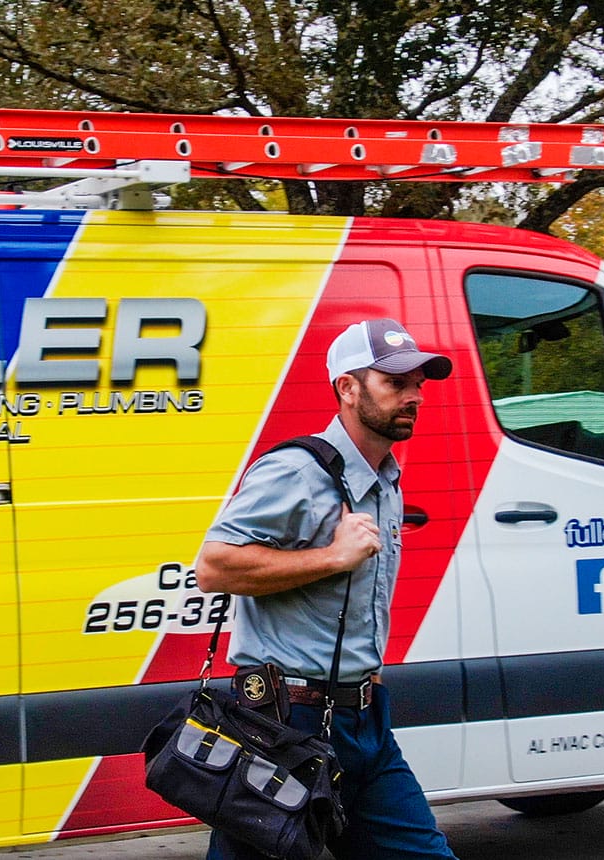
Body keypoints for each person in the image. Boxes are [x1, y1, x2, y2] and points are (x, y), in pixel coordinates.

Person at [195, 318, 458, 860]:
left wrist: (370, 677)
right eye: (396, 382)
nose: (414, 396)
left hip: (363, 722)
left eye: (418, 385)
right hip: (286, 726)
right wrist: (333, 557)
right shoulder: (297, 470)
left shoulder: (384, 477)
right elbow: (214, 567)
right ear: (347, 387)